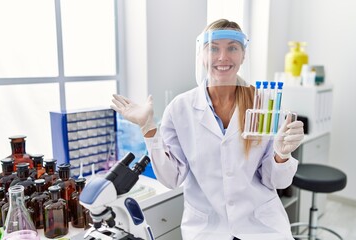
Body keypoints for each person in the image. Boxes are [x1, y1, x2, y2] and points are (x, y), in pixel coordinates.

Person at [111, 19, 304, 240]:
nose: (222, 57)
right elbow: (171, 179)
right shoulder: (180, 108)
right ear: (201, 56)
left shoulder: (264, 103)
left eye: (232, 47)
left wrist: (282, 155)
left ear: (243, 55)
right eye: (213, 48)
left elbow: (276, 182)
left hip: (260, 226)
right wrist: (148, 128)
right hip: (207, 228)